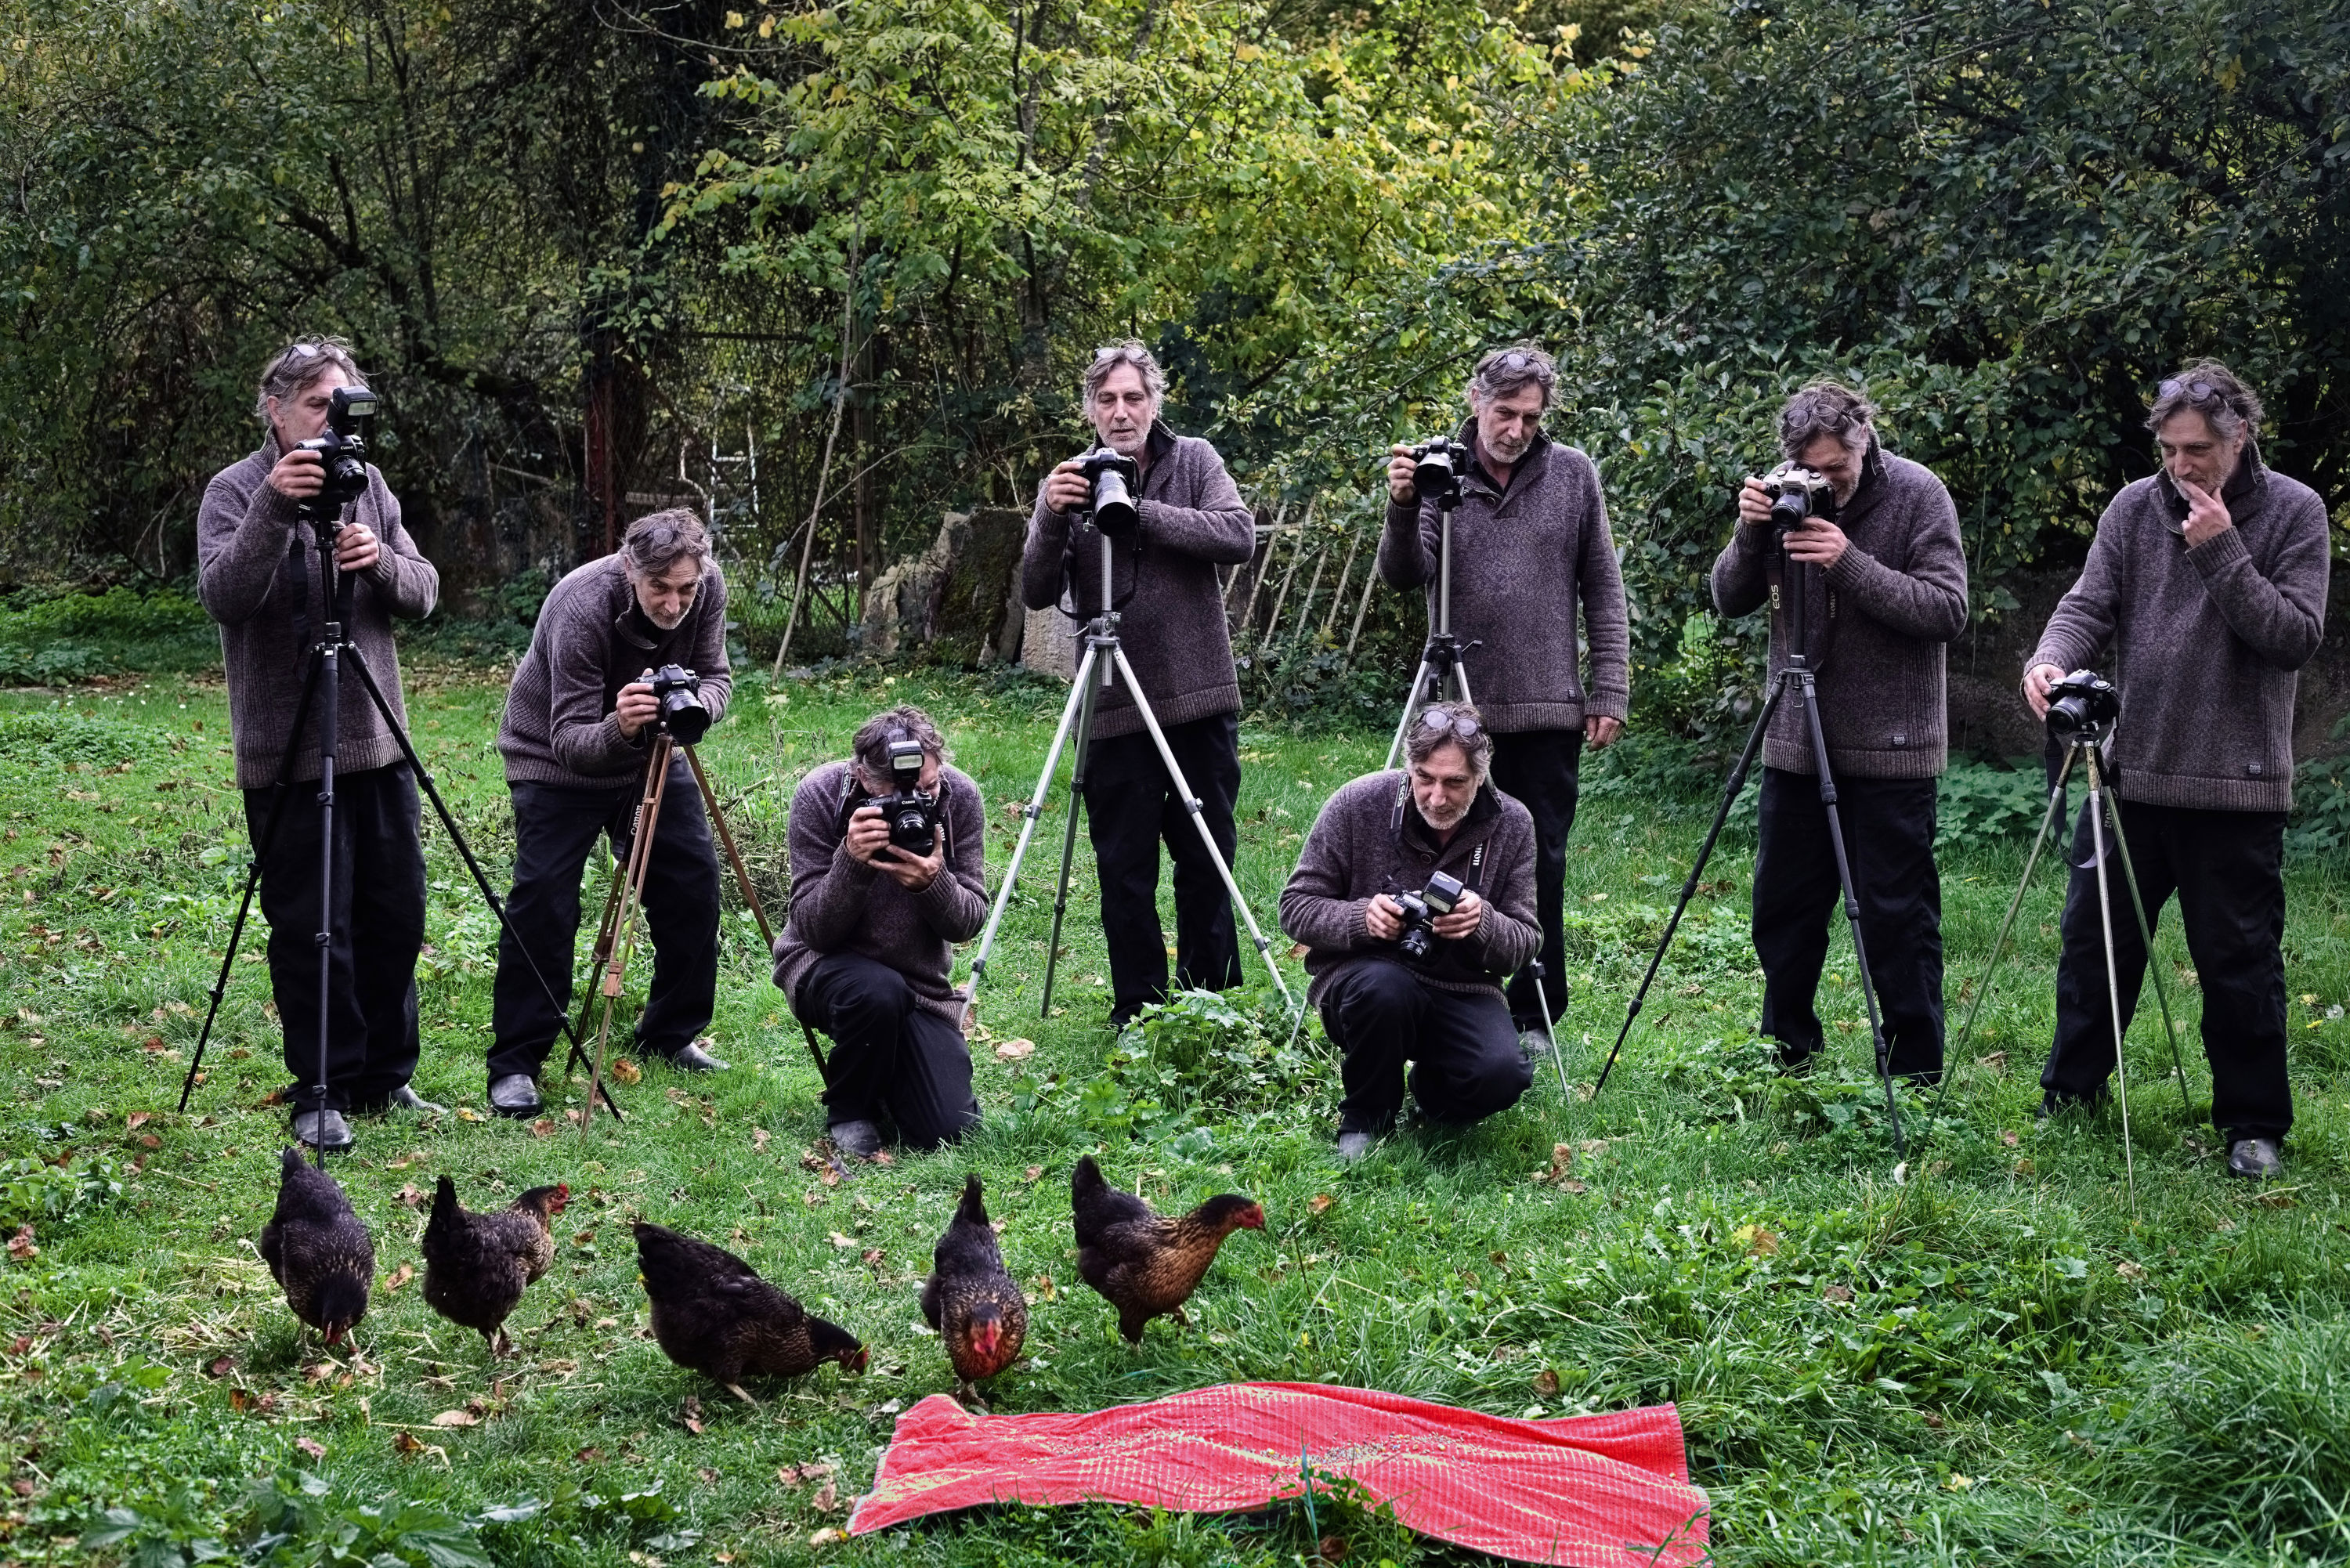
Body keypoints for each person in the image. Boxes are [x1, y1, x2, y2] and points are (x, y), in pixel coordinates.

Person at [2023, 361, 2329, 1180]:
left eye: (2197, 449)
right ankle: (2071, 1093)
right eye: (2170, 449)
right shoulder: (2133, 506)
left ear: (2240, 436)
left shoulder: (2295, 511)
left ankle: (2253, 1125)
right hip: (2130, 776)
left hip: (2238, 784)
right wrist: (2050, 660)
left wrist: (2222, 549)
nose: (2182, 466)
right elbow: (2089, 604)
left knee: (2239, 963)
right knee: (2095, 946)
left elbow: (2294, 634)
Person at [197, 337, 443, 1153]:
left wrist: (378, 565)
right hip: (286, 744)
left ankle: (386, 1076)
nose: (331, 423)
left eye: (342, 407)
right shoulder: (235, 491)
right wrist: (274, 505)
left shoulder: (366, 484)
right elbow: (227, 597)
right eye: (315, 406)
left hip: (377, 739)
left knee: (395, 913)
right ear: (275, 408)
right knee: (312, 923)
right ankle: (323, 1087)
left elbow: (425, 590)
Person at [1712, 380, 1968, 1082]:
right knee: (1783, 911)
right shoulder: (1782, 492)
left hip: (1893, 747)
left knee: (1895, 917)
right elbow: (1728, 598)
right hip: (1797, 735)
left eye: (1836, 469)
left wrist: (1846, 561)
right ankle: (1785, 1051)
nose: (1822, 482)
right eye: (1810, 468)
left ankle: (1914, 1070)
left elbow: (1947, 609)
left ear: (1864, 444)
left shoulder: (1918, 494)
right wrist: (1750, 530)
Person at [1379, 345, 1629, 1053]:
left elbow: (1602, 587)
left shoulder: (1573, 474)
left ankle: (1537, 1006)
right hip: (1456, 709)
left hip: (1547, 705)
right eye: (1503, 412)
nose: (1515, 428)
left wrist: (1608, 683)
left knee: (1538, 859)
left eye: (1529, 416)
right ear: (1475, 402)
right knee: (1439, 845)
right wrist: (1402, 506)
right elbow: (1405, 575)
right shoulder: (1438, 472)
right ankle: (1439, 986)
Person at [1021, 340, 1256, 1029]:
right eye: (1107, 399)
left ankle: (1209, 1006)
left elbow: (1237, 534)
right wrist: (1051, 513)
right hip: (1113, 703)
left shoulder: (1196, 460)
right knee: (1123, 869)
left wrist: (1132, 510)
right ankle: (1140, 1012)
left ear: (1155, 403)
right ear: (1090, 408)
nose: (1121, 412)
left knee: (1206, 855)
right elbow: (1036, 592)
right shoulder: (1070, 478)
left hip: (1198, 697)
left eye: (1133, 398)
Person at [486, 509, 732, 1117]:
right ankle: (517, 1061)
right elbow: (570, 737)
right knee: (544, 900)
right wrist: (621, 724)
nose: (676, 603)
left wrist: (694, 704)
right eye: (661, 589)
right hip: (553, 759)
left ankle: (670, 1033)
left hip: (653, 750)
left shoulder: (709, 588)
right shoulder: (581, 603)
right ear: (630, 569)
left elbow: (719, 677)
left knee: (693, 883)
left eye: (687, 589)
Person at [1278, 701, 1541, 1160]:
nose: (1437, 797)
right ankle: (1364, 1119)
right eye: (1424, 777)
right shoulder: (1359, 802)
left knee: (1502, 1074)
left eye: (1455, 782)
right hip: (1365, 980)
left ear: (1480, 776)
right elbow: (1295, 908)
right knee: (1384, 989)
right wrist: (1362, 919)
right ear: (1408, 769)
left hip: (1462, 987)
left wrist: (1483, 923)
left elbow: (1524, 943)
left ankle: (1433, 1093)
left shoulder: (1512, 823)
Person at [772, 706, 988, 1158]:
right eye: (894, 794)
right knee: (876, 992)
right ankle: (851, 1109)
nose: (914, 803)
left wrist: (935, 885)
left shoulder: (960, 795)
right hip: (823, 965)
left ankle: (892, 1069)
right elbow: (813, 929)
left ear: (940, 767)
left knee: (948, 1131)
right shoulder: (821, 794)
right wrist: (851, 862)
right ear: (861, 777)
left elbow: (968, 922)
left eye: (927, 787)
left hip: (919, 984)